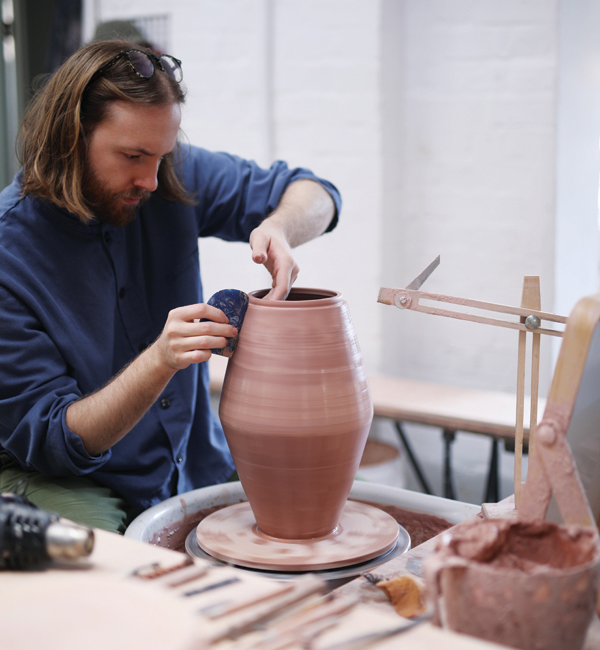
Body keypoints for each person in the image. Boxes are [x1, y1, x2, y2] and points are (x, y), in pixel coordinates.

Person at [0, 40, 340, 533]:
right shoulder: (10, 255)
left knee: (298, 527)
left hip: (192, 460)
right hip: (76, 478)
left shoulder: (163, 171)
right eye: (134, 155)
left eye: (162, 154)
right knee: (106, 572)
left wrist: (282, 227)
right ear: (70, 137)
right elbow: (58, 440)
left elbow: (318, 193)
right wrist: (160, 360)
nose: (153, 180)